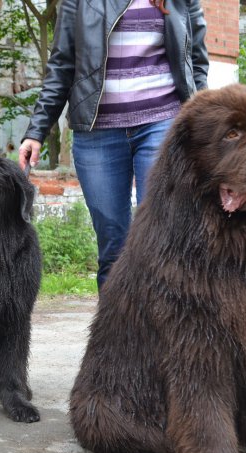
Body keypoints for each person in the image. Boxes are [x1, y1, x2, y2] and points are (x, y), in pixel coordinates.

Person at [19, 0, 209, 290]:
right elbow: (62, 65)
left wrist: (202, 126)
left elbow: (195, 62)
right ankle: (116, 332)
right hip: (98, 133)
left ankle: (163, 330)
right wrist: (36, 131)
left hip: (162, 126)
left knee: (161, 236)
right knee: (114, 246)